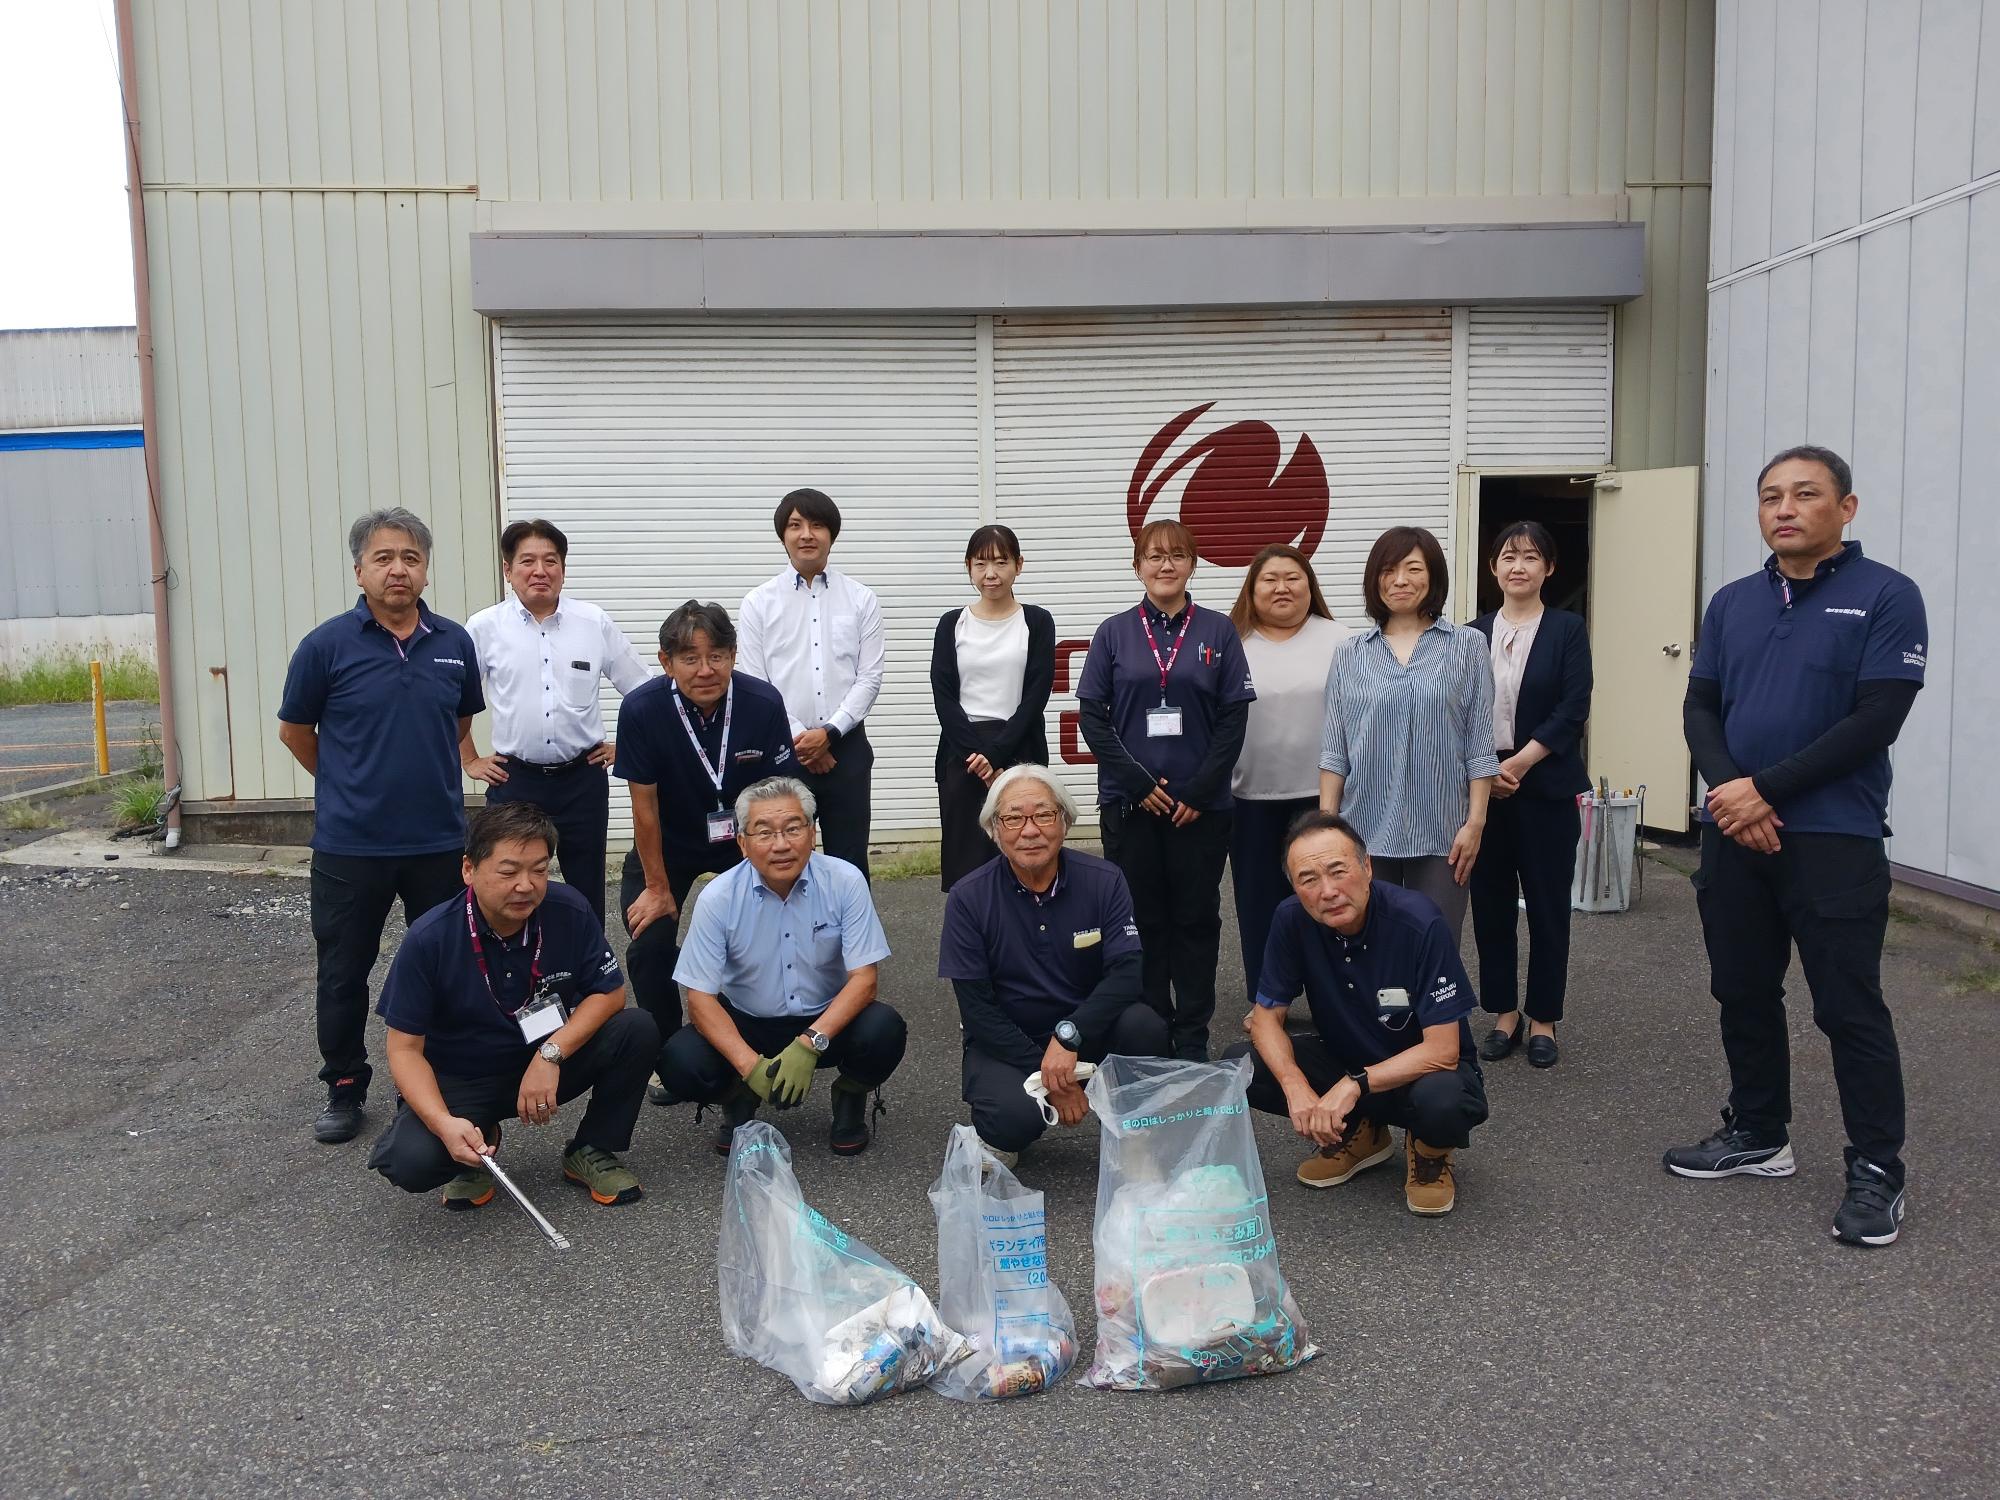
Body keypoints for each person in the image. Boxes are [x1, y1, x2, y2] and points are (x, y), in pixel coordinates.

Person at [1665, 445, 1927, 1249]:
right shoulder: (1733, 602)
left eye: (1806, 494)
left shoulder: (1887, 595)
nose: (1785, 508)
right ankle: (1759, 1132)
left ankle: (1877, 1167)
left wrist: (1764, 791)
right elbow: (1700, 706)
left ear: (1845, 509)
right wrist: (1730, 791)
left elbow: (1876, 719)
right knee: (1742, 990)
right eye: (1771, 495)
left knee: (1848, 1007)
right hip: (1734, 834)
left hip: (1834, 838)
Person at [277, 507, 485, 1145]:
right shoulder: (325, 647)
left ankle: (433, 1086)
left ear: (426, 570)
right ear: (359, 570)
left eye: (411, 558)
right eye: (384, 558)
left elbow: (458, 725)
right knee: (344, 973)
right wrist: (346, 782)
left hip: (438, 843)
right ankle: (344, 1086)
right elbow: (295, 731)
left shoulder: (454, 644)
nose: (399, 569)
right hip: (351, 847)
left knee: (445, 967)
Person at [365, 802, 658, 1210]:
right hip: (463, 1078)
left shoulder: (568, 911)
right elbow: (404, 1050)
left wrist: (550, 1055)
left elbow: (609, 994)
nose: (526, 885)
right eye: (508, 872)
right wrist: (443, 1124)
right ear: (469, 869)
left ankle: (591, 1148)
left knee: (637, 1029)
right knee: (410, 1162)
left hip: (542, 1060)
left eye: (539, 870)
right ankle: (472, 1141)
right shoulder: (430, 938)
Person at [1225, 811, 1489, 1216]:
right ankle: (1360, 1133)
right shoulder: (1291, 919)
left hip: (1422, 1073)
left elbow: (1443, 1050)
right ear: (1294, 886)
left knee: (1443, 1101)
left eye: (1338, 871)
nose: (1328, 891)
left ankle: (1429, 1151)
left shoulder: (1419, 921)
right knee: (1240, 1065)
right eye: (1308, 879)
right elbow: (1265, 1018)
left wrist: (1354, 1085)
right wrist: (1296, 1087)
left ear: (1366, 867)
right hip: (1347, 1058)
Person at [1078, 518, 1255, 1062]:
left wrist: (1200, 791)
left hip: (1199, 809)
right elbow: (1093, 716)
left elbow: (1233, 719)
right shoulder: (1114, 632)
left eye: (1177, 555)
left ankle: (1193, 1032)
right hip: (1131, 805)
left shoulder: (1218, 631)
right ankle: (1150, 1026)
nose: (1166, 565)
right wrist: (1135, 781)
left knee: (1196, 920)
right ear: (1138, 567)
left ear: (1192, 565)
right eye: (1154, 556)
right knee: (1142, 920)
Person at [659, 776, 906, 1156]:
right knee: (680, 1061)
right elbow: (700, 999)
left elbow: (864, 979)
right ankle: (739, 1096)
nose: (781, 845)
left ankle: (850, 1094)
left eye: (793, 828)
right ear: (742, 843)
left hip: (826, 1020)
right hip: (749, 1021)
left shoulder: (845, 881)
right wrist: (750, 1067)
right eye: (764, 832)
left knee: (884, 1030)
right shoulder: (717, 897)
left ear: (812, 833)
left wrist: (809, 1045)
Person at [938, 765, 1168, 1165]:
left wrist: (1069, 1038)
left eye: (1044, 815)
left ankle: (1136, 1131)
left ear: (1065, 821)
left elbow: (1127, 974)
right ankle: (1001, 1136)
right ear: (994, 829)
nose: (1030, 831)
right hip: (1008, 1041)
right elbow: (977, 1010)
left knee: (1144, 1027)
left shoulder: (1105, 880)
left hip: (1086, 1029)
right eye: (1013, 818)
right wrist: (1056, 1079)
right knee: (1011, 1119)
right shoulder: (967, 898)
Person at [611, 600, 795, 1073]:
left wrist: (774, 868)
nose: (705, 669)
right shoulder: (641, 709)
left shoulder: (762, 702)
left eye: (716, 656)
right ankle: (670, 1055)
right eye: (690, 658)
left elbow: (779, 797)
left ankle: (752, 1040)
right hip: (668, 843)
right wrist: (657, 887)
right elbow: (644, 809)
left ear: (733, 655)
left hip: (746, 843)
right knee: (649, 943)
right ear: (666, 661)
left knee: (761, 936)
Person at [461, 518, 651, 927]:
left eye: (550, 561)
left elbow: (644, 692)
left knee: (587, 890)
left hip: (582, 780)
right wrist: (469, 760)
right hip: (514, 781)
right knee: (510, 886)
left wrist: (627, 748)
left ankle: (587, 965)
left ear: (563, 568)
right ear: (508, 570)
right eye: (527, 561)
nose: (540, 570)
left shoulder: (593, 622)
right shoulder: (484, 627)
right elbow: (453, 700)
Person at [1319, 525, 1497, 940]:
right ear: (1374, 579)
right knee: (1368, 945)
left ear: (1433, 576)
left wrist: (1475, 824)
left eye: (1413, 569)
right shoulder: (1349, 654)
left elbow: (1480, 745)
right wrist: (1328, 827)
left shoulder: (1468, 646)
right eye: (1389, 570)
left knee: (1435, 943)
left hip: (1443, 831)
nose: (1400, 580)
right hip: (1363, 830)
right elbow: (1334, 751)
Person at [1467, 522, 1592, 1070]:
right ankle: (1503, 1014)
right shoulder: (1471, 634)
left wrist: (1517, 763)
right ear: (1493, 567)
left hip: (1545, 788)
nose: (1518, 566)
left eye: (1531, 557)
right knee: (1490, 906)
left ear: (1549, 568)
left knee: (1547, 907)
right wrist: (1484, 770)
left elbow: (1573, 706)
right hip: (1483, 791)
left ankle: (1543, 1018)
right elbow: (1457, 710)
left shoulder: (1567, 629)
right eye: (1508, 556)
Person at [737, 488, 885, 879]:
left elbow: (869, 677)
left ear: (831, 534)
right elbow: (756, 682)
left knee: (849, 864)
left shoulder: (861, 599)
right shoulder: (758, 603)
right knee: (782, 861)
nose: (806, 534)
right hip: (782, 751)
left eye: (817, 525)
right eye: (795, 525)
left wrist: (830, 733)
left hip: (847, 749)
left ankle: (850, 924)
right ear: (782, 536)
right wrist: (804, 740)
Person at [1227, 544, 1349, 1009]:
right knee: (1258, 906)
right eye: (1270, 579)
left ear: (1310, 586)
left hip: (1322, 798)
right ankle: (1267, 1002)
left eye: (1293, 578)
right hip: (1249, 797)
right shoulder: (1231, 641)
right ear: (1252, 589)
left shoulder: (1341, 641)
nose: (1282, 587)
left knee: (1327, 901)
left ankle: (1333, 1000)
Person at [930, 524, 1057, 890]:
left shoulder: (1036, 621)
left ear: (1019, 565)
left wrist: (997, 755)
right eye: (981, 563)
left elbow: (1036, 694)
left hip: (1020, 748)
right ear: (968, 566)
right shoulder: (952, 623)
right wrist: (978, 757)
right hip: (962, 754)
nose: (991, 573)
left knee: (1025, 856)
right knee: (967, 865)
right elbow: (944, 695)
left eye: (1001, 562)